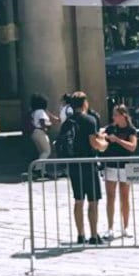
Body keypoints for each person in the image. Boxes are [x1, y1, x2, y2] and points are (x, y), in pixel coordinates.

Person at [59, 93, 108, 246]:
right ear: (84, 103)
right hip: (88, 164)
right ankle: (94, 235)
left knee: (78, 200)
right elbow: (94, 143)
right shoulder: (89, 120)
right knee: (93, 201)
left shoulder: (67, 122)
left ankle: (80, 235)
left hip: (74, 165)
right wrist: (104, 144)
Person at [101, 104, 138, 240]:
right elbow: (101, 135)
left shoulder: (131, 130)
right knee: (110, 197)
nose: (114, 117)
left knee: (125, 197)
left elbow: (133, 147)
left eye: (116, 114)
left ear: (123, 115)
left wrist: (117, 140)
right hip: (111, 165)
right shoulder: (111, 128)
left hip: (126, 166)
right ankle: (110, 228)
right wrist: (103, 135)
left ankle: (126, 226)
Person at [28, 94, 59, 159]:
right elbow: (42, 121)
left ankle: (40, 168)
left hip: (35, 133)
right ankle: (38, 168)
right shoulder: (41, 111)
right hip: (40, 132)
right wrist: (47, 127)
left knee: (42, 152)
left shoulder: (34, 112)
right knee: (47, 151)